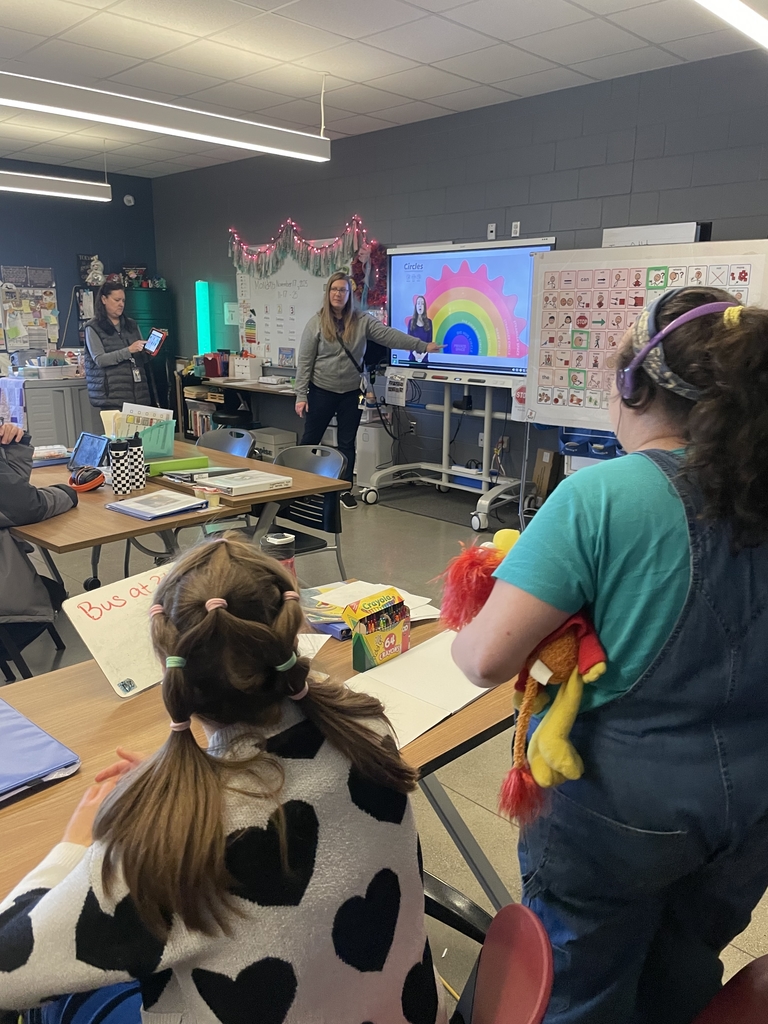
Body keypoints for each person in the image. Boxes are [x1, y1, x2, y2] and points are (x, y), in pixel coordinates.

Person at [451, 287, 768, 1024]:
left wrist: (479, 615)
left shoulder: (601, 496)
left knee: (579, 983)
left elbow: (485, 660)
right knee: (685, 967)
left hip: (620, 813)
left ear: (633, 384)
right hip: (750, 805)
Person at [0, 533, 445, 1024]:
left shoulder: (167, 844)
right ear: (289, 631)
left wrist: (76, 843)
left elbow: (9, 971)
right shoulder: (366, 726)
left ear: (171, 666)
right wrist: (179, 779)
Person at [295, 272, 440, 508]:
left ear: (350, 295)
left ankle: (343, 490)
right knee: (311, 440)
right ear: (328, 293)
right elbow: (305, 362)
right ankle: (300, 488)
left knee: (346, 444)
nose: (338, 294)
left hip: (351, 393)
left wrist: (421, 345)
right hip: (321, 391)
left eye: (343, 290)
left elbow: (389, 336)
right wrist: (301, 395)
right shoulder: (316, 323)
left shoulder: (362, 321)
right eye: (334, 289)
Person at [0, 423, 76, 660]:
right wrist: (68, 492)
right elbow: (28, 507)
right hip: (7, 606)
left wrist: (12, 446)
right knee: (54, 593)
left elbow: (11, 496)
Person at [84, 282, 151, 410]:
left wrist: (149, 352)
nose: (121, 304)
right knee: (116, 431)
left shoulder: (131, 324)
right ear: (104, 299)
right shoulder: (93, 327)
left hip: (139, 396)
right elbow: (100, 359)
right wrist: (129, 350)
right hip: (112, 398)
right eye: (116, 300)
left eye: (123, 300)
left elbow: (141, 359)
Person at [407, 295, 433, 364]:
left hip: (424, 359)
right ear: (416, 306)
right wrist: (416, 356)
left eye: (422, 303)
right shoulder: (411, 322)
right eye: (418, 303)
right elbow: (409, 342)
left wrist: (422, 356)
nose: (420, 305)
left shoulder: (429, 322)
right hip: (412, 359)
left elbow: (429, 342)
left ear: (424, 307)